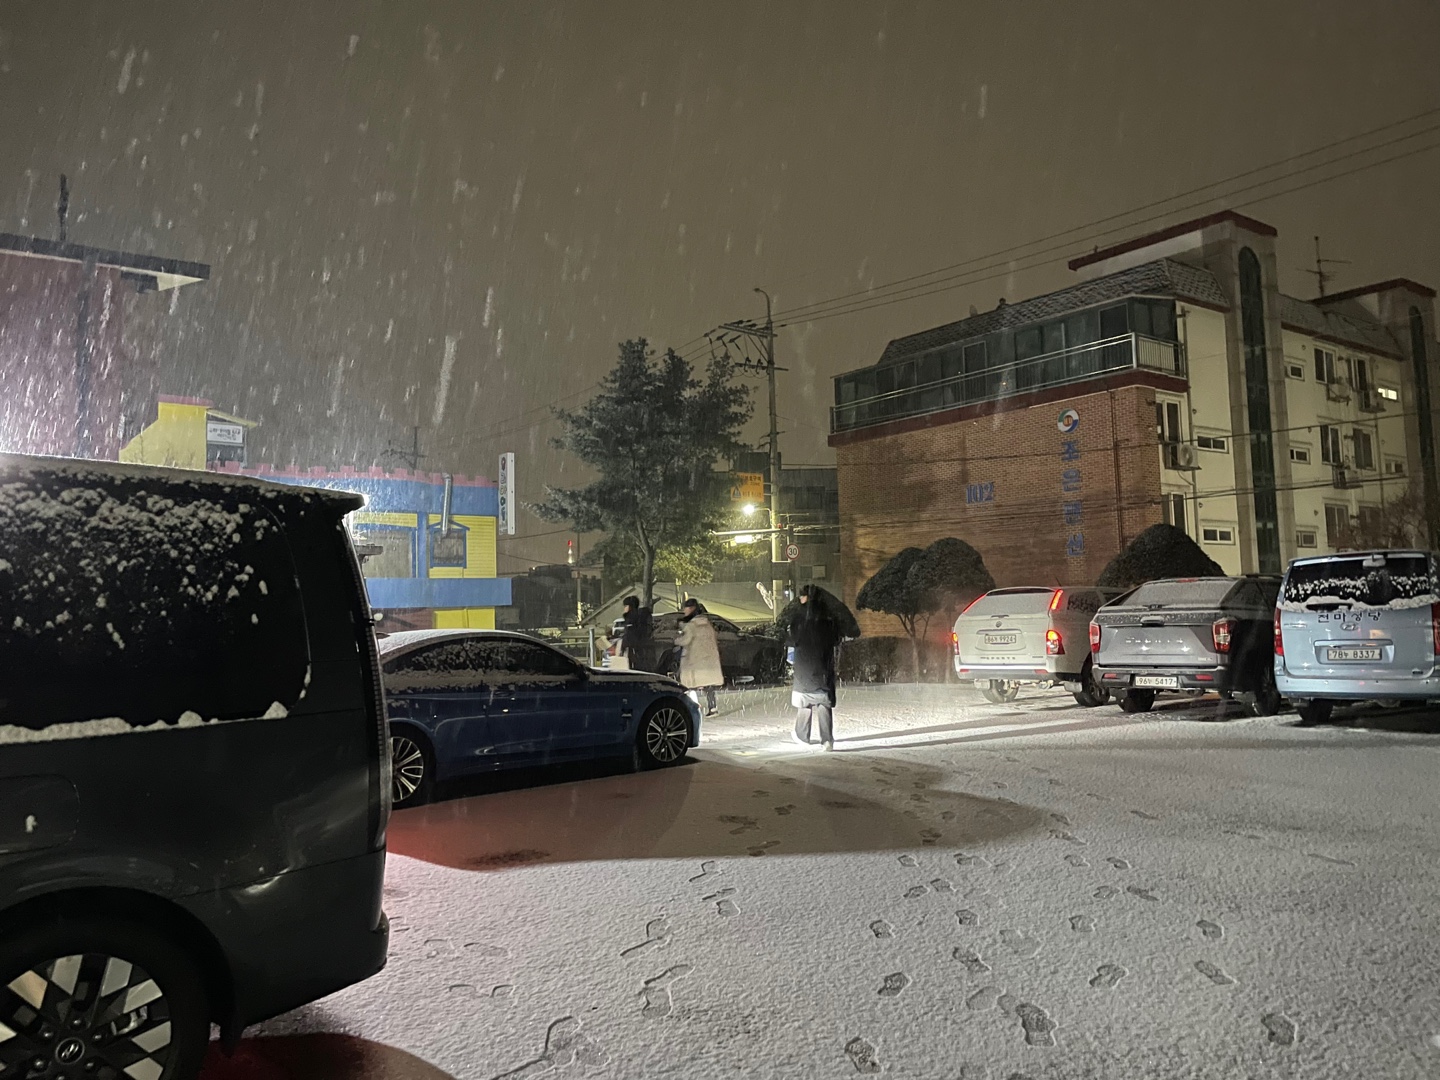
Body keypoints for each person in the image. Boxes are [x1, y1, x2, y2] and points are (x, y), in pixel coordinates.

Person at [786, 585, 854, 751]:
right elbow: (837, 638)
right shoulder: (828, 619)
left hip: (804, 668)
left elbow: (790, 639)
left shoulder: (798, 619)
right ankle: (827, 740)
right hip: (823, 667)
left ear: (806, 598)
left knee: (805, 701)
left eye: (802, 596)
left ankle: (802, 735)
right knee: (823, 702)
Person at [675, 598, 723, 716]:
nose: (684, 611)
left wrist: (676, 640)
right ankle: (713, 707)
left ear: (691, 609)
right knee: (708, 684)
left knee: (689, 685)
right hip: (708, 659)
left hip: (695, 660)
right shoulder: (707, 624)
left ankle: (692, 708)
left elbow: (685, 640)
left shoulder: (691, 626)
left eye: (685, 608)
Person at [618, 594, 655, 672]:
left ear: (630, 606)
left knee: (633, 668)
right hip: (644, 648)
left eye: (625, 606)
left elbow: (629, 635)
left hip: (634, 648)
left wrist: (622, 647)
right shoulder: (643, 616)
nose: (624, 608)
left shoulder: (631, 618)